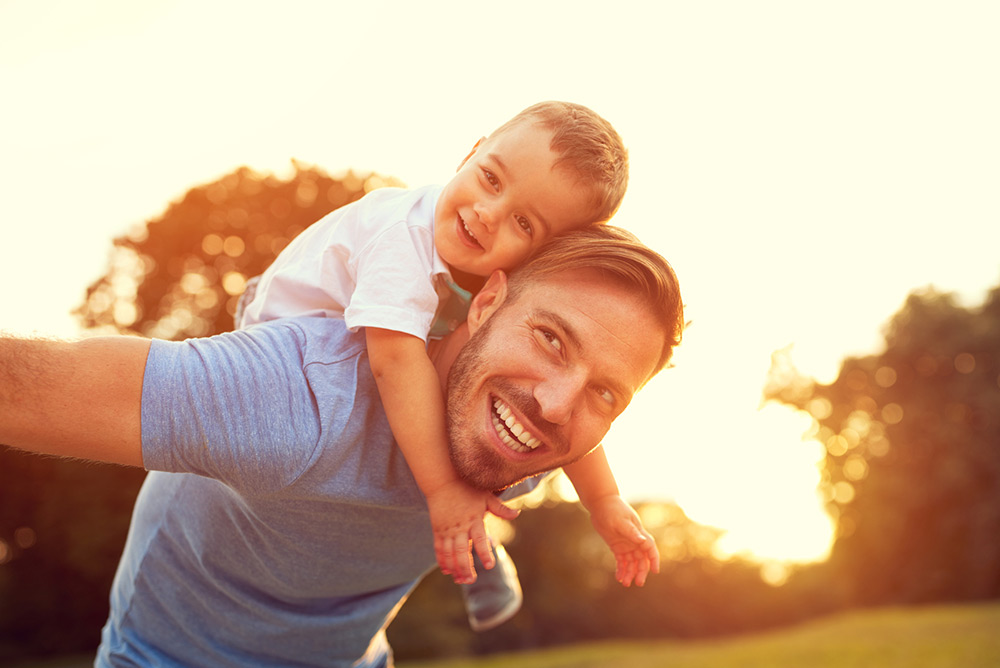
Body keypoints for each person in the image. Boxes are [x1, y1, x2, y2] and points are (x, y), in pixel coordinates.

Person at [0, 225, 684, 667]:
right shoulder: (298, 396)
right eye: (551, 338)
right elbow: (18, 390)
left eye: (605, 395)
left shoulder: (526, 433)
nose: (556, 403)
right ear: (484, 303)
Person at [235, 101, 651, 631]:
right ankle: (473, 550)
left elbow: (561, 389)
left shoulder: (491, 272)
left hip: (367, 354)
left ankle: (476, 552)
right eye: (491, 178)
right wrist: (444, 491)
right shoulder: (399, 236)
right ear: (472, 152)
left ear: (543, 256)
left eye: (524, 222)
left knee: (501, 412)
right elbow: (393, 361)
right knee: (433, 441)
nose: (488, 213)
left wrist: (605, 500)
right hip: (288, 353)